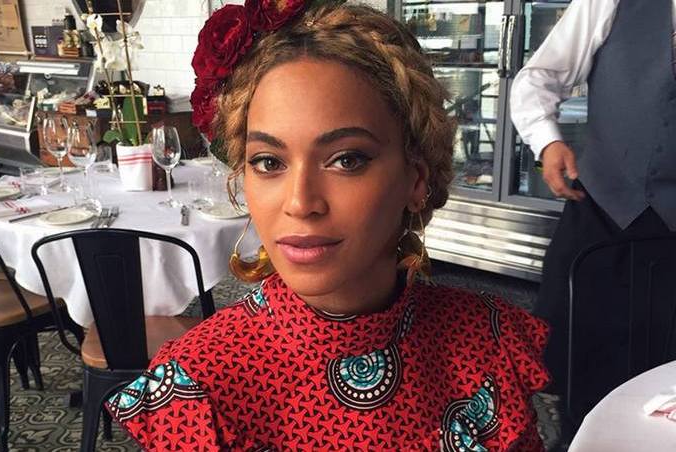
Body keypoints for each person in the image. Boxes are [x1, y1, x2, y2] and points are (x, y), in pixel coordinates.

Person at [106, 1, 550, 450]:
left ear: (416, 180)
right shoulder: (199, 386)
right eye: (269, 162)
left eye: (347, 160)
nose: (300, 203)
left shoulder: (488, 340)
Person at [510, 0, 675, 410]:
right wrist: (547, 141)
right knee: (583, 360)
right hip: (605, 213)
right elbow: (538, 77)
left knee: (663, 375)